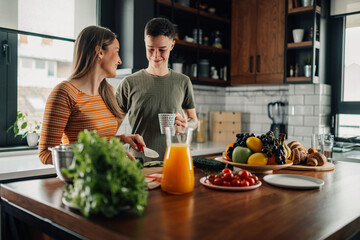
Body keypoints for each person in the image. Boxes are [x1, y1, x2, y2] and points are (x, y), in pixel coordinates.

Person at [39, 25, 145, 164]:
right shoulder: (65, 92)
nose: (120, 60)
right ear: (100, 52)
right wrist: (103, 155)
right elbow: (45, 154)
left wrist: (121, 139)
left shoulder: (107, 92)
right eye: (117, 51)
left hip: (105, 178)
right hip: (81, 182)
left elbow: (97, 144)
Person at [116, 17, 198, 162]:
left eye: (162, 50)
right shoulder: (129, 83)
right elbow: (111, 128)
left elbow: (193, 120)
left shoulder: (183, 82)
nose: (155, 55)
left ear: (172, 45)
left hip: (174, 161)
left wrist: (186, 125)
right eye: (150, 49)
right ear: (145, 43)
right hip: (139, 164)